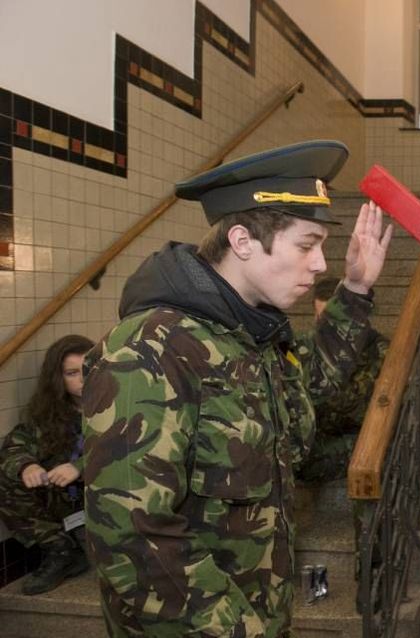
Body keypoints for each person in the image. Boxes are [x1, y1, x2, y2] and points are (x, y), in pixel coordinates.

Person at [82, 140, 392, 637]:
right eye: (307, 245)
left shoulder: (249, 334)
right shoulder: (154, 348)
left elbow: (307, 386)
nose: (320, 265)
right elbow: (132, 533)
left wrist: (354, 292)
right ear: (244, 241)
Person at [0, 334, 94, 595]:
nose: (82, 379)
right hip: (67, 506)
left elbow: (127, 451)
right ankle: (60, 550)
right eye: (72, 373)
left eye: (87, 370)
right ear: (58, 378)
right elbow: (15, 445)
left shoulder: (121, 404)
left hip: (109, 502)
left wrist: (80, 467)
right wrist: (27, 466)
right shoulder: (51, 411)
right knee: (7, 476)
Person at [294, 275, 389, 484]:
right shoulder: (310, 348)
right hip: (319, 436)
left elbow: (361, 409)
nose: (326, 330)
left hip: (358, 440)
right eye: (320, 320)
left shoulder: (381, 352)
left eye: (333, 322)